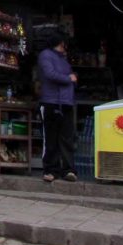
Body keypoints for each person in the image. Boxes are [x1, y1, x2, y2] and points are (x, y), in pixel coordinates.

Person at [37, 29, 78, 183]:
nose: (64, 48)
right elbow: (50, 74)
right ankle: (50, 169)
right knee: (51, 138)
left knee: (67, 138)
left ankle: (68, 170)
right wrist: (69, 78)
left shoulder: (63, 58)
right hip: (51, 102)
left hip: (66, 102)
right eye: (62, 45)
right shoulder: (46, 55)